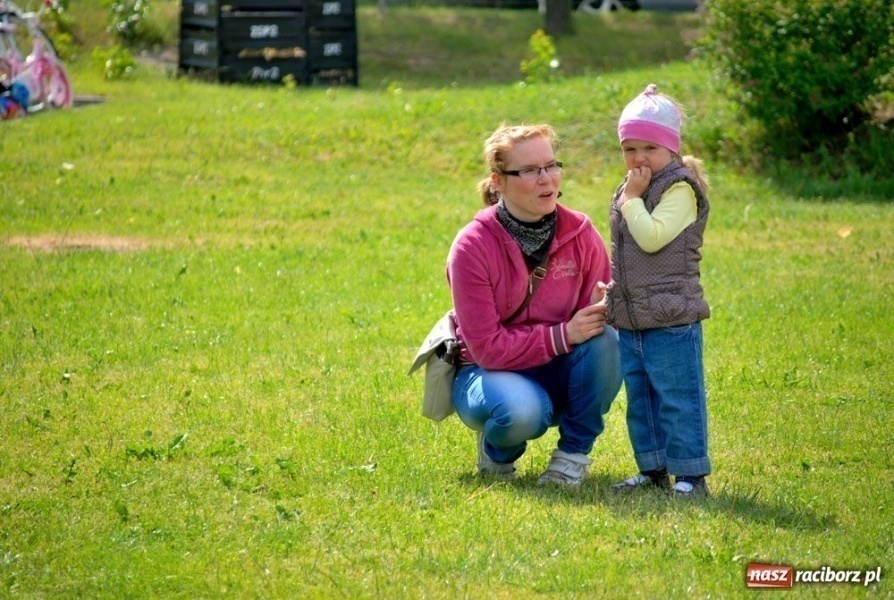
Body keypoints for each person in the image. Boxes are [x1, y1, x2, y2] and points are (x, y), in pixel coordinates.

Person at [447, 123, 622, 486]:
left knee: (608, 341)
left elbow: (601, 322)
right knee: (523, 412)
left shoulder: (581, 233)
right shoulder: (471, 246)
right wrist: (563, 335)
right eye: (529, 170)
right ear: (498, 181)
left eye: (551, 166)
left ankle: (572, 457)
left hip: (559, 370)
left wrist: (606, 309)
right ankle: (498, 452)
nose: (546, 179)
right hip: (488, 374)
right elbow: (489, 350)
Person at [605, 84, 712, 497]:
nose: (637, 158)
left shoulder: (679, 189)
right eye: (629, 148)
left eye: (649, 147)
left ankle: (690, 475)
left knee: (677, 397)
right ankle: (652, 470)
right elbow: (627, 249)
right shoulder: (630, 187)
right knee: (642, 400)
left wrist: (632, 200)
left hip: (671, 315)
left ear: (670, 148)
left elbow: (652, 238)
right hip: (633, 315)